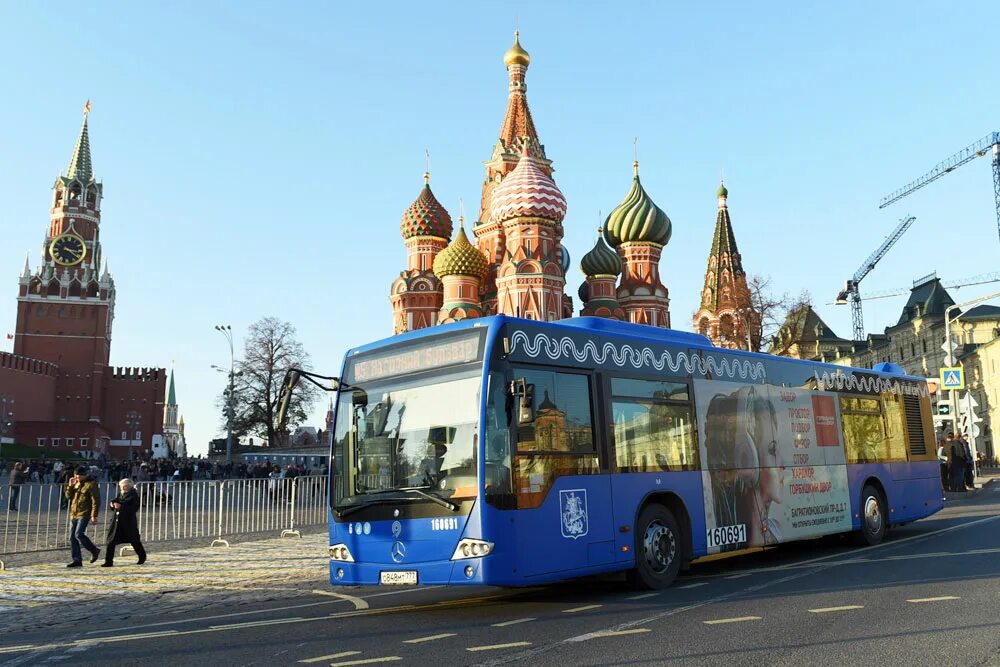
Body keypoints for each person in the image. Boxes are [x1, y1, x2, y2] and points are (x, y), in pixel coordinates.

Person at [101, 478, 146, 567]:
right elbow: (117, 500)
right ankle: (108, 561)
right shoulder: (121, 494)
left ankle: (142, 556)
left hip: (128, 522)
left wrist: (121, 506)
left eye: (124, 486)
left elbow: (133, 508)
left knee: (134, 540)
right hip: (117, 521)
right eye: (121, 486)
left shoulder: (134, 495)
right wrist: (113, 504)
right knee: (111, 541)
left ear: (128, 486)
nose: (122, 488)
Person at [65, 466, 101, 567]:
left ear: (85, 475)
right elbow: (68, 497)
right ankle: (77, 560)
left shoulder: (91, 484)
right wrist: (70, 486)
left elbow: (96, 500)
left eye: (79, 476)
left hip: (85, 512)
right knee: (72, 537)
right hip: (74, 512)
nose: (77, 477)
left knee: (79, 534)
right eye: (76, 475)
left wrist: (94, 515)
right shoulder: (75, 483)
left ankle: (94, 550)